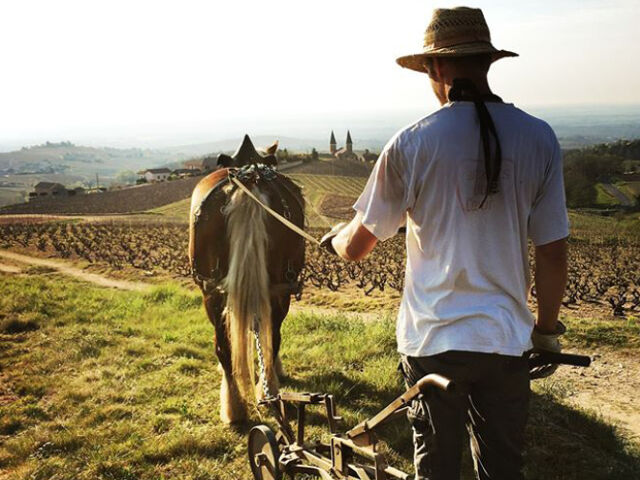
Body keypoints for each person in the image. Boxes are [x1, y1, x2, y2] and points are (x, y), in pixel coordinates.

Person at [320, 6, 569, 480]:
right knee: (503, 468)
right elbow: (552, 250)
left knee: (436, 469)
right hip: (506, 341)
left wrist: (334, 240)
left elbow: (357, 247)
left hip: (433, 342)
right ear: (488, 62)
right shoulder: (540, 137)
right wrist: (547, 330)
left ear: (435, 67)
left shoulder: (412, 143)